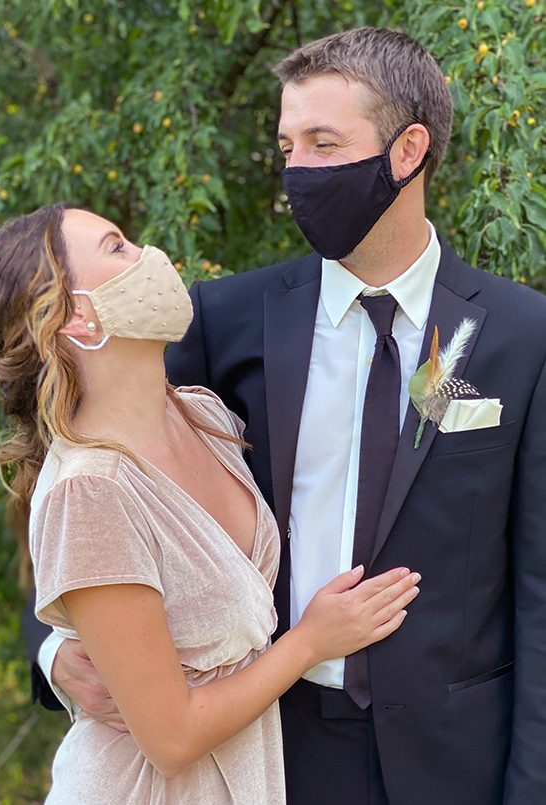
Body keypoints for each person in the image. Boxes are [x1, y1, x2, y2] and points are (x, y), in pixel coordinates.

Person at [28, 25, 546, 804]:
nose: (296, 170)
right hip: (269, 750)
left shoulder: (520, 334)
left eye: (323, 144)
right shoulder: (227, 319)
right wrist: (50, 649)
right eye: (286, 146)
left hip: (461, 761)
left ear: (407, 151)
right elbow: (83, 472)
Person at [0, 203, 420, 803]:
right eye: (117, 247)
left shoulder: (202, 414)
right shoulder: (89, 489)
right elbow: (171, 738)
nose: (149, 254)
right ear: (76, 318)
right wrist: (311, 642)